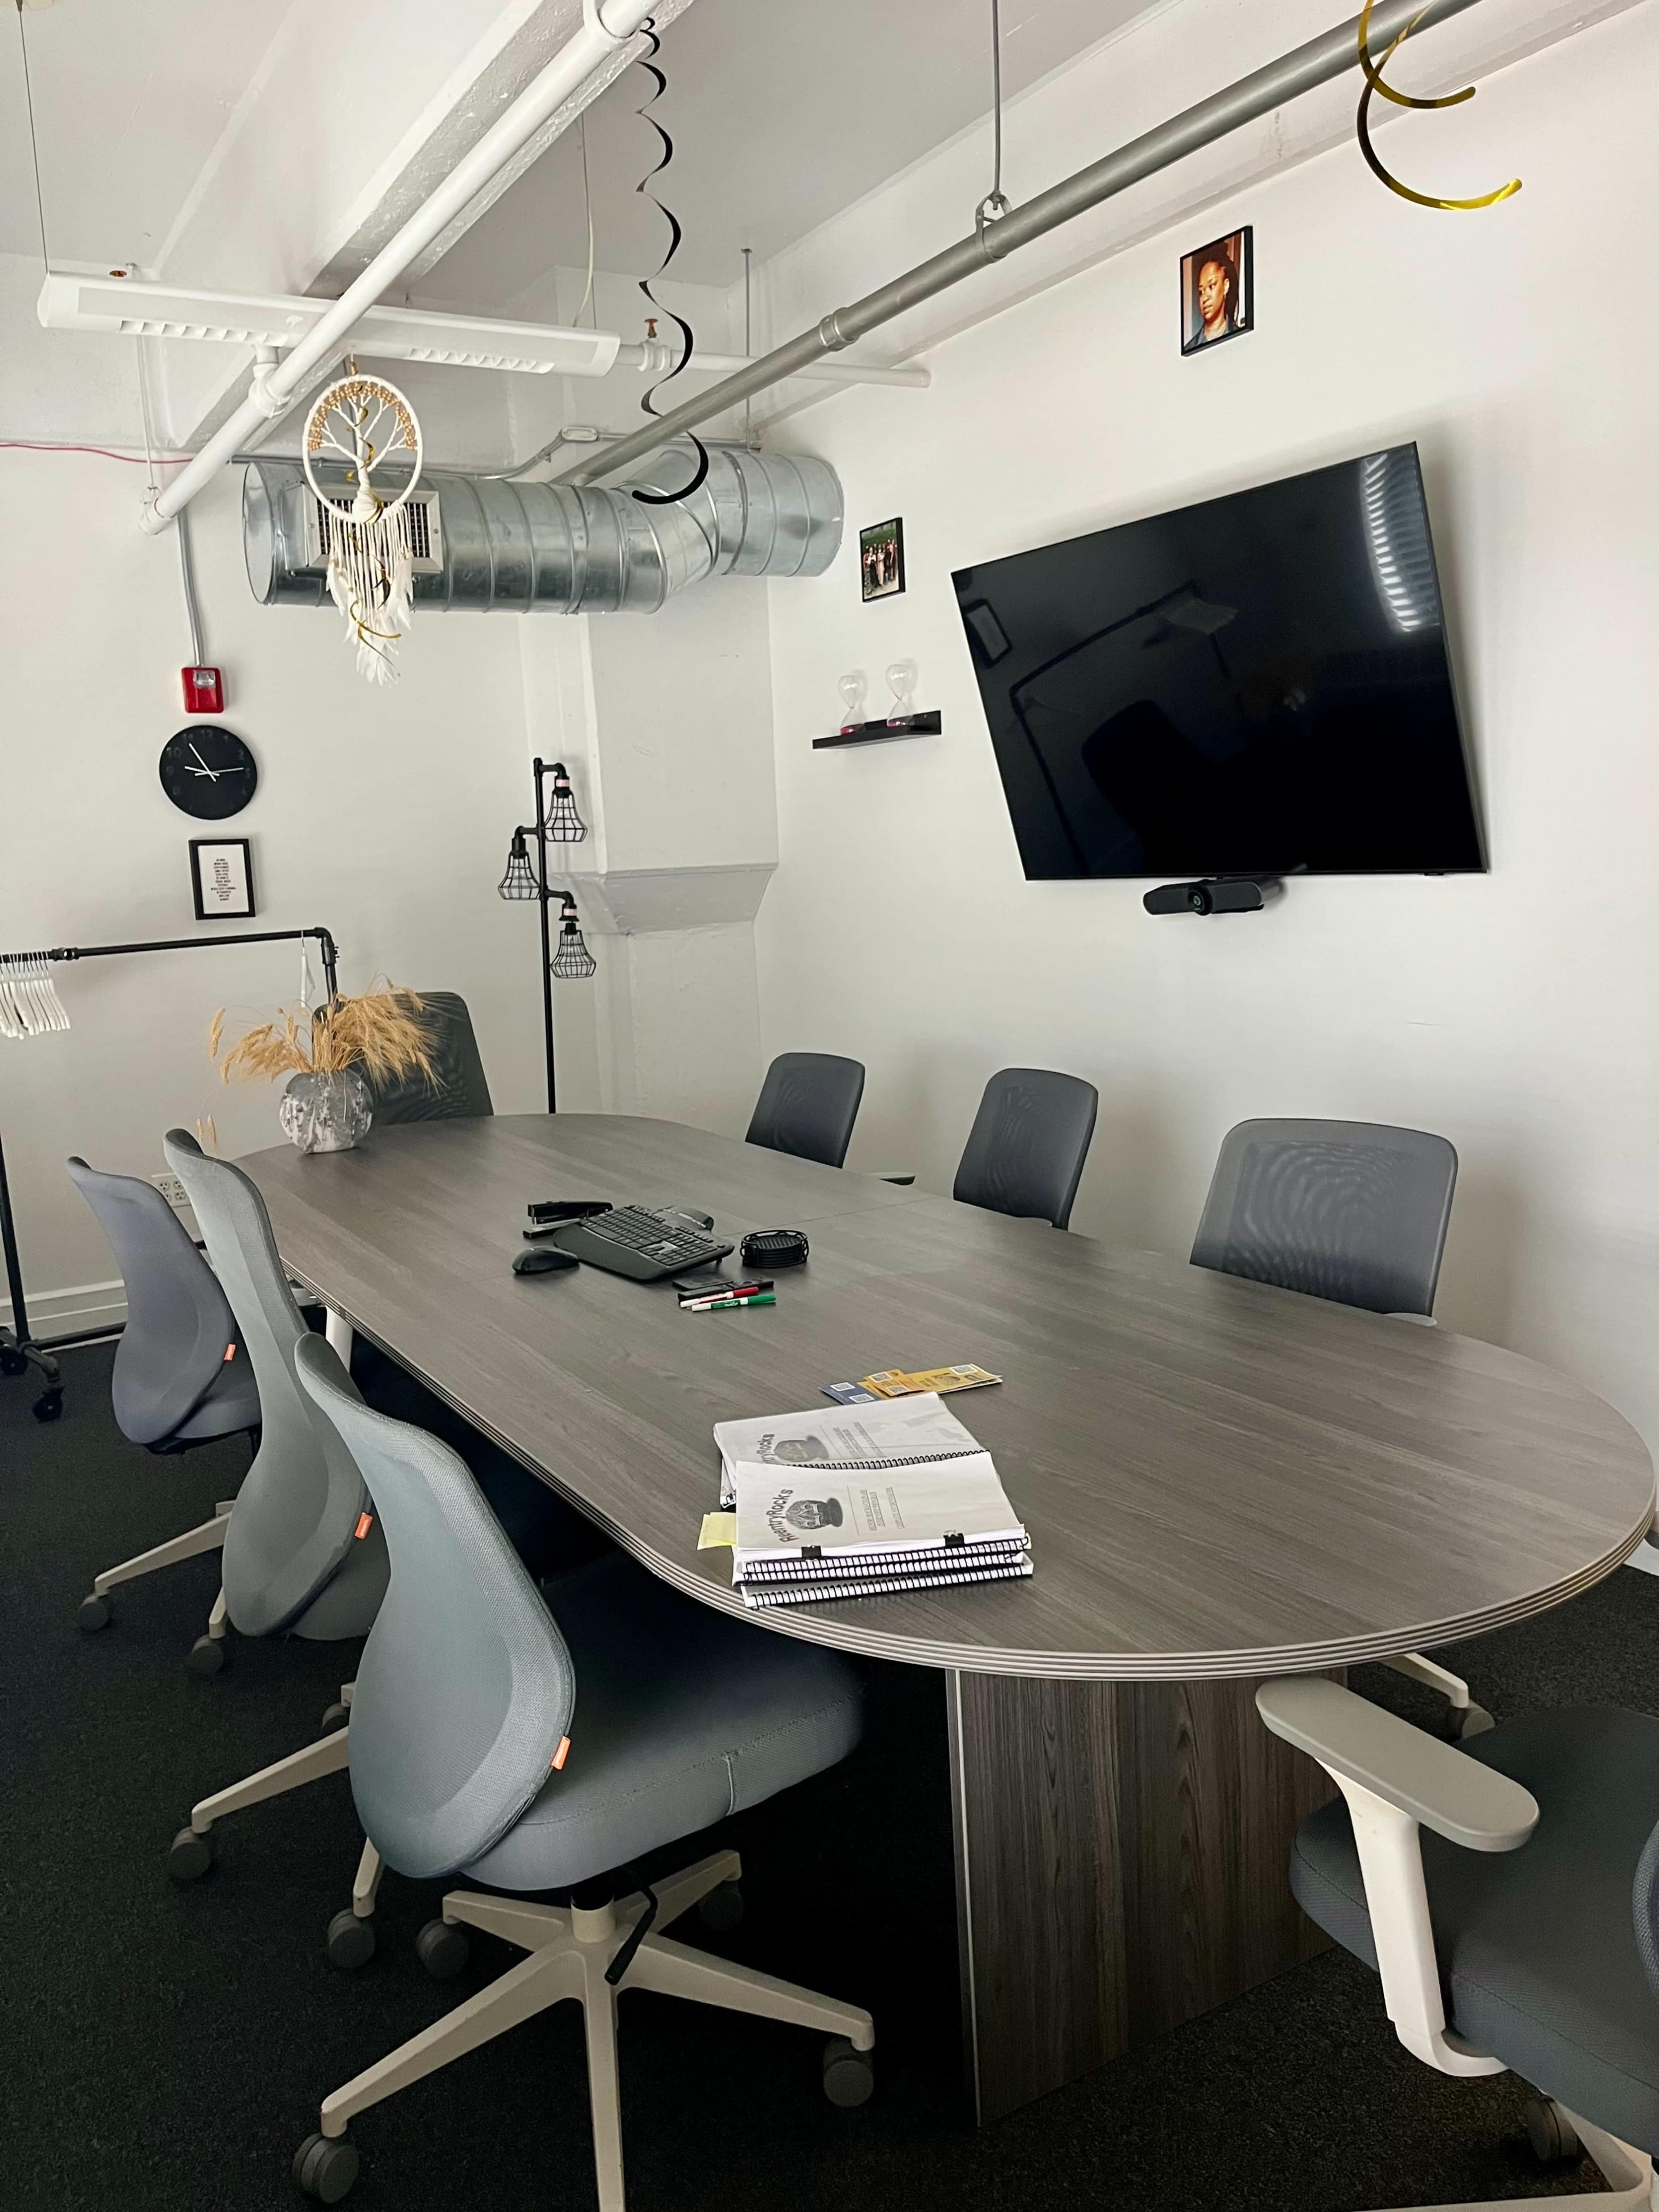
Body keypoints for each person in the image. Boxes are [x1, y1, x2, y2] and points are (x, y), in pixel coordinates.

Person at [1189, 242, 1240, 347]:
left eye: (1212, 286)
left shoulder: (1240, 337)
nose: (1205, 298)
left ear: (1226, 286)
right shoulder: (1191, 347)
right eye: (1201, 292)